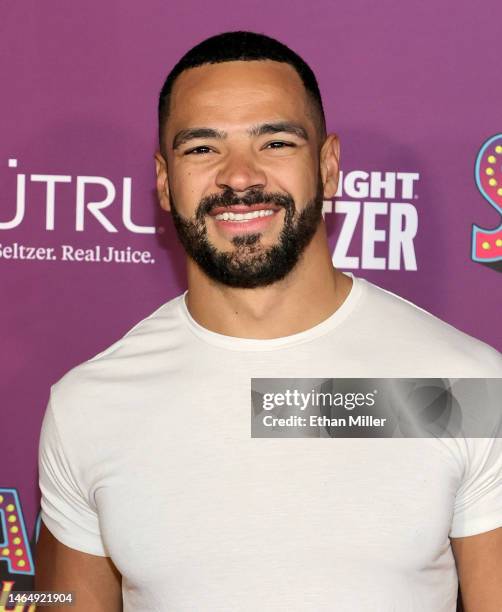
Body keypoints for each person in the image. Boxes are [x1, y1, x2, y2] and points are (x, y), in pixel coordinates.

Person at [36, 31, 502, 611]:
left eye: (276, 142)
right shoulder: (88, 404)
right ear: (162, 180)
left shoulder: (466, 385)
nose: (239, 176)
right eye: (202, 149)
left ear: (328, 167)